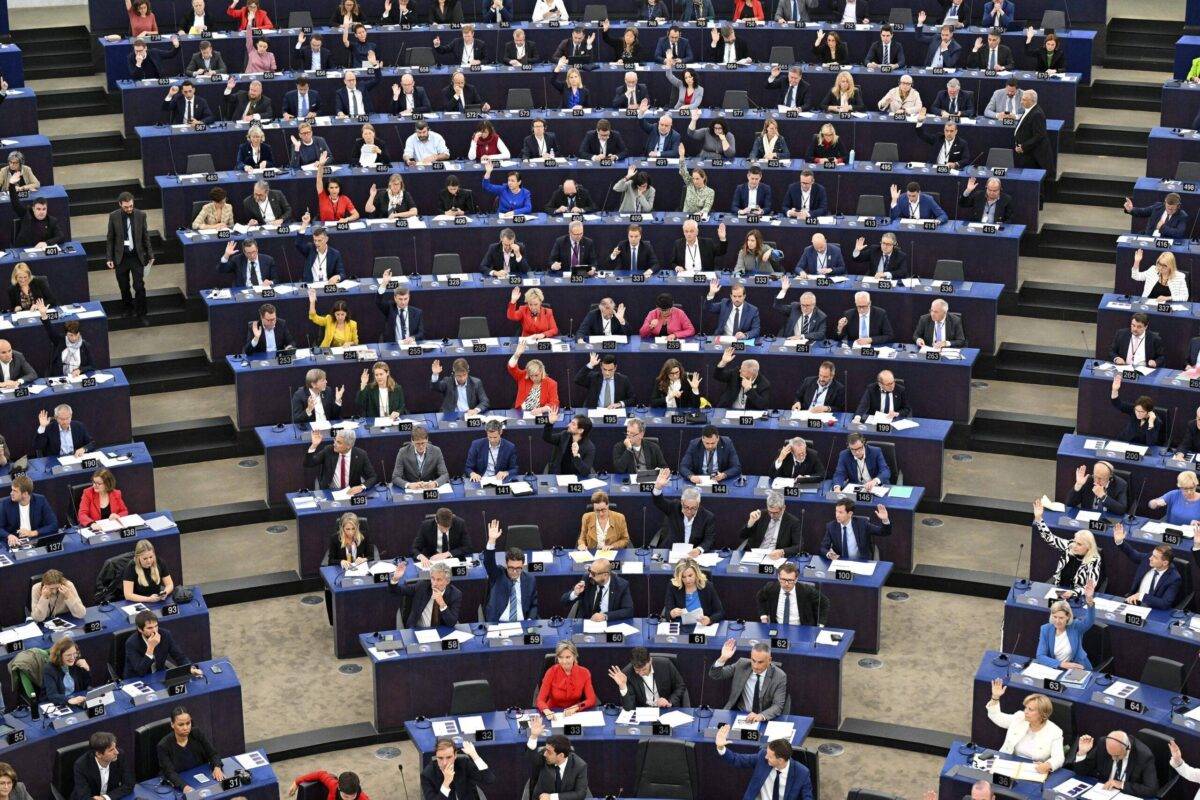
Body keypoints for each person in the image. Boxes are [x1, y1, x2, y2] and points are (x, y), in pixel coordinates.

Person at [715, 726, 815, 800]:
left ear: (780, 760)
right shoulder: (762, 757)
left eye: (770, 756)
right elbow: (737, 760)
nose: (766, 757)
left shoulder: (802, 773)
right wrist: (721, 747)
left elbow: (807, 797)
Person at [984, 683, 1066, 773]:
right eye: (1026, 708)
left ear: (1043, 714)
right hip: (1008, 763)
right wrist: (995, 697)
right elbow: (997, 717)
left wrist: (1048, 765)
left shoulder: (1055, 732)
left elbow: (1059, 757)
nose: (1025, 712)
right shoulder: (1020, 717)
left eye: (1030, 709)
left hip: (1034, 769)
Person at [1032, 498, 1103, 594]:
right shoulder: (1070, 546)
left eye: (1079, 544)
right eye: (1074, 541)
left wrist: (1072, 593)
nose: (1074, 546)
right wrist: (1039, 518)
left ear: (1088, 547)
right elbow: (1050, 538)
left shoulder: (1094, 560)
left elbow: (1090, 587)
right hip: (1058, 590)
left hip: (1078, 597)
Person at [105, 192, 153, 325]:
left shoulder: (141, 215)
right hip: (121, 257)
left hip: (136, 256)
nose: (129, 209)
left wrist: (150, 255)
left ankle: (142, 313)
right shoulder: (113, 216)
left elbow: (145, 236)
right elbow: (110, 238)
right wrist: (109, 257)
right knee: (124, 286)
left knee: (139, 286)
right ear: (120, 204)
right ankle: (128, 309)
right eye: (126, 207)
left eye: (131, 206)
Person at [709, 639, 787, 721]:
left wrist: (761, 716)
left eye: (760, 662)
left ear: (769, 660)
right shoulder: (741, 665)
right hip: (740, 713)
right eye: (753, 660)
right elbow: (716, 675)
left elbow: (778, 705)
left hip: (763, 717)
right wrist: (723, 658)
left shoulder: (779, 676)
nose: (756, 666)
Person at [1073, 731, 1159, 798]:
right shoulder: (1103, 743)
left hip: (1126, 795)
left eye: (1117, 755)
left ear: (1127, 748)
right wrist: (1082, 753)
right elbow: (1081, 772)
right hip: (1103, 793)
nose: (1113, 758)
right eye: (1110, 754)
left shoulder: (1143, 755)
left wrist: (1120, 784)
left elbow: (1151, 790)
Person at [1115, 523, 1181, 608]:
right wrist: (1120, 542)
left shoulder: (1174, 578)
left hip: (1152, 609)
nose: (1150, 558)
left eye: (1155, 557)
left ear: (1165, 563)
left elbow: (1165, 603)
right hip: (1132, 602)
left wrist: (1142, 596)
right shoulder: (1147, 559)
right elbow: (1133, 554)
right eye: (1152, 555)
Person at [483, 520, 538, 622]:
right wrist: (491, 541)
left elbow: (533, 605)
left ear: (523, 566)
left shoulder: (530, 579)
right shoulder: (498, 574)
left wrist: (530, 620)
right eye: (511, 568)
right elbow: (489, 563)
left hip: (522, 624)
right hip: (498, 624)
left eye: (518, 568)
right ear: (506, 565)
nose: (514, 572)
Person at [157, 707, 224, 790]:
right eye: (181, 725)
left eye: (188, 723)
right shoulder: (163, 745)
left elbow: (213, 754)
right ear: (172, 724)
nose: (185, 728)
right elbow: (169, 773)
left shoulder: (197, 733)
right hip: (180, 781)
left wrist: (217, 767)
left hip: (203, 777)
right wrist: (184, 787)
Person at [124, 609, 202, 678]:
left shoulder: (165, 635)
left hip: (159, 675)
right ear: (140, 629)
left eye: (156, 626)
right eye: (149, 628)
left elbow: (179, 656)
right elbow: (140, 671)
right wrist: (151, 647)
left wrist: (191, 668)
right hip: (137, 679)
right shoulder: (131, 643)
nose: (154, 631)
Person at [525, 718, 590, 797]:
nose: (545, 754)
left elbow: (580, 794)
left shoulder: (580, 766)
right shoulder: (543, 757)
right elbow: (531, 758)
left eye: (549, 752)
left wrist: (552, 797)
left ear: (561, 755)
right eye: (545, 749)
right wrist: (533, 736)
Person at [610, 646, 688, 710]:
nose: (641, 673)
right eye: (637, 670)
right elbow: (629, 708)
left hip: (665, 708)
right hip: (644, 711)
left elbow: (680, 686)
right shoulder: (626, 674)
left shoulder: (665, 665)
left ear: (650, 661)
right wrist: (623, 686)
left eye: (644, 669)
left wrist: (669, 701)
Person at [389, 560, 462, 628]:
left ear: (447, 581)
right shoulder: (422, 586)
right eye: (433, 579)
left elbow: (452, 623)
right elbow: (396, 590)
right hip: (417, 630)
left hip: (441, 632)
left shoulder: (455, 594)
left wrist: (442, 604)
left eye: (439, 580)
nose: (434, 583)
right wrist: (395, 579)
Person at [1034, 590, 1096, 670]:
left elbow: (1090, 620)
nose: (1057, 621)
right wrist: (1061, 664)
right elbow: (1040, 656)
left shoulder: (1076, 626)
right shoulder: (1045, 629)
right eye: (1055, 617)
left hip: (1078, 667)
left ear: (1068, 617)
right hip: (1056, 668)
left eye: (1061, 618)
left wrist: (1089, 600)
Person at [304, 428, 376, 494]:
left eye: (339, 442)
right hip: (330, 491)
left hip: (351, 492)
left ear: (349, 445)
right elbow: (308, 463)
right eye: (335, 440)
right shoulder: (329, 450)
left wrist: (361, 487)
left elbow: (373, 477)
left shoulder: (361, 455)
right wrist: (314, 445)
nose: (334, 444)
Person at [537, 640, 599, 714]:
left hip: (575, 712)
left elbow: (592, 699)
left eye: (568, 657)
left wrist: (577, 707)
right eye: (561, 657)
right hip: (553, 711)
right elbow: (540, 700)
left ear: (574, 656)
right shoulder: (551, 672)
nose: (564, 661)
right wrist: (546, 710)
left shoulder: (585, 672)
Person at [37, 302, 97, 377]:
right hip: (60, 377)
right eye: (70, 335)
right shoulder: (59, 341)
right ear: (66, 334)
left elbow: (92, 366)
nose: (74, 338)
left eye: (76, 335)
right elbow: (50, 330)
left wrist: (80, 370)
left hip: (77, 378)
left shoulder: (85, 346)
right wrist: (44, 315)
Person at [562, 559, 632, 621]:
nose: (590, 575)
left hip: (608, 624)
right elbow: (564, 601)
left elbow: (628, 611)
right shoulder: (587, 579)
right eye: (589, 571)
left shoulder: (621, 585)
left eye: (593, 573)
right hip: (587, 622)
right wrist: (575, 593)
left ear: (605, 575)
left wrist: (605, 616)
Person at [421, 739, 493, 800]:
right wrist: (446, 783)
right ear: (436, 756)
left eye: (449, 757)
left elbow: (489, 779)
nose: (445, 763)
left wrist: (475, 755)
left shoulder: (464, 764)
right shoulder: (427, 774)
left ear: (455, 755)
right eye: (440, 758)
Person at [758, 562, 829, 624]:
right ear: (778, 578)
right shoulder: (771, 588)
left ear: (796, 579)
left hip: (802, 628)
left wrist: (821, 624)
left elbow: (824, 602)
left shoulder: (806, 590)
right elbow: (760, 598)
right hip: (778, 627)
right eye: (783, 579)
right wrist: (763, 615)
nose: (786, 584)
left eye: (790, 580)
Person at [822, 498, 892, 559]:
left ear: (850, 513)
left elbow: (884, 532)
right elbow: (823, 547)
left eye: (840, 512)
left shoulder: (862, 524)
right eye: (836, 511)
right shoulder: (831, 526)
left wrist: (885, 520)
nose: (837, 515)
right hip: (840, 562)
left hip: (861, 562)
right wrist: (829, 554)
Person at [661, 557, 724, 623]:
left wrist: (710, 620)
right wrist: (671, 614)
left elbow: (720, 612)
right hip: (682, 625)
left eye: (690, 575)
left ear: (696, 573)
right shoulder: (673, 587)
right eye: (683, 577)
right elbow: (667, 613)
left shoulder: (707, 586)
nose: (687, 580)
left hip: (702, 626)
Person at [740, 491, 802, 557]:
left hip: (775, 557)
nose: (772, 515)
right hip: (756, 555)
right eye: (770, 512)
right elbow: (742, 536)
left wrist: (782, 552)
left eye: (775, 513)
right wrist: (750, 523)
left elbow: (799, 546)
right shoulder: (760, 515)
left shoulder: (793, 522)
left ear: (783, 508)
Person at [72, 733, 132, 800]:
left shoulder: (120, 755)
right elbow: (84, 797)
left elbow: (128, 784)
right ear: (98, 754)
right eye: (111, 750)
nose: (116, 752)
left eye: (115, 747)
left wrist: (105, 798)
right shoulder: (81, 765)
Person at [1, 475, 57, 548]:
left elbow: (53, 525)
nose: (11, 493)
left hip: (35, 540)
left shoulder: (40, 501)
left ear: (25, 494)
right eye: (12, 490)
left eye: (15, 491)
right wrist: (9, 536)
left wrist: (33, 533)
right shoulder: (5, 503)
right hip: (15, 542)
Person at [1109, 376, 1165, 445]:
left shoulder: (1156, 421)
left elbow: (1151, 443)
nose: (1138, 413)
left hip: (1139, 448)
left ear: (1149, 411)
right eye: (1137, 410)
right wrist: (1114, 390)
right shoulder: (1133, 410)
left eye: (1142, 412)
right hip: (1123, 442)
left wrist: (1151, 423)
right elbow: (1118, 404)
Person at [391, 427, 450, 492]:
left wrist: (434, 483)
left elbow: (445, 474)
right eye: (417, 444)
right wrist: (409, 485)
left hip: (428, 488)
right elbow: (395, 477)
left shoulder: (436, 451)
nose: (421, 446)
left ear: (427, 439)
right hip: (411, 489)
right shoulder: (403, 452)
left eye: (423, 443)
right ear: (412, 441)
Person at [543, 412, 596, 477]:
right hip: (558, 475)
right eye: (571, 422)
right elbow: (547, 438)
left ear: (580, 430)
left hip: (576, 479)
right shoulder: (564, 435)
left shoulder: (589, 448)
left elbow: (585, 472)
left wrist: (576, 456)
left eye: (573, 424)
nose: (568, 425)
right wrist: (549, 424)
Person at [44, 636, 91, 706]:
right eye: (68, 655)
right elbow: (52, 695)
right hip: (60, 703)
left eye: (74, 653)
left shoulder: (76, 663)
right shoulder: (49, 669)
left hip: (76, 700)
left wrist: (87, 670)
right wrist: (68, 699)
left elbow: (86, 686)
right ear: (59, 656)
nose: (72, 658)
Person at [1014, 90, 1054, 171]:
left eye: (1024, 100)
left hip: (1034, 156)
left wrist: (1023, 147)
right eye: (1022, 99)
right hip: (1028, 153)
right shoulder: (1029, 110)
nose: (1021, 102)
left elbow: (1039, 135)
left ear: (1032, 101)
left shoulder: (1037, 114)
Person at [1123, 193, 1189, 239]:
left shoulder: (1182, 216)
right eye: (1168, 207)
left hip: (1165, 243)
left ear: (1178, 206)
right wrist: (1131, 210)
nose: (1170, 210)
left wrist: (1162, 228)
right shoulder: (1158, 207)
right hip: (1149, 237)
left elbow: (1179, 233)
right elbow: (1143, 212)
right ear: (1165, 203)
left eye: (1172, 208)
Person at [286, 771, 368, 800]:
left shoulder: (363, 798)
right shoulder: (333, 785)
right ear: (339, 788)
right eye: (346, 797)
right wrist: (296, 782)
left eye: (353, 796)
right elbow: (320, 774)